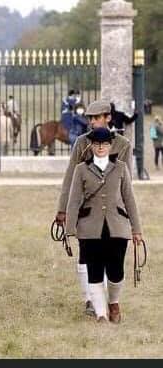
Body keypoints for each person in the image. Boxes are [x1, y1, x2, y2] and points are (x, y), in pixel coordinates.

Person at [55, 100, 133, 317]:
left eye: (96, 117)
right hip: (86, 211)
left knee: (113, 259)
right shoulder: (81, 142)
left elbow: (125, 182)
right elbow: (70, 177)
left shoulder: (123, 144)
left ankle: (111, 300)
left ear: (108, 118)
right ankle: (89, 299)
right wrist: (63, 210)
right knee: (86, 256)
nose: (91, 122)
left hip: (112, 211)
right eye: (89, 118)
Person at [65, 127, 143, 323]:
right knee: (94, 269)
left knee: (116, 270)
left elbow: (129, 200)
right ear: (91, 146)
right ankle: (100, 314)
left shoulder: (121, 167)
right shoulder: (81, 169)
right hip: (89, 228)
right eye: (97, 144)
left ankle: (114, 302)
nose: (101, 147)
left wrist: (137, 229)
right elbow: (73, 200)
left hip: (117, 226)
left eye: (105, 144)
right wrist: (69, 229)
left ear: (110, 145)